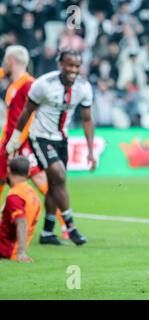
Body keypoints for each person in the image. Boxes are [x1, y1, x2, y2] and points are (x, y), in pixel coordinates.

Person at [6, 49, 96, 246]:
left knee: (55, 184)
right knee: (59, 176)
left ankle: (47, 231)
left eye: (77, 66)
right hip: (40, 137)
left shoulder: (84, 88)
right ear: (61, 65)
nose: (73, 70)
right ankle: (70, 227)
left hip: (62, 138)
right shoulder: (44, 85)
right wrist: (14, 139)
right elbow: (26, 112)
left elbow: (88, 120)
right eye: (69, 65)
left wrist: (90, 151)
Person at [0, 45, 69, 240]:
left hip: (21, 144)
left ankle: (65, 224)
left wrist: (17, 143)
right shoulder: (13, 84)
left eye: (6, 60)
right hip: (8, 143)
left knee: (43, 182)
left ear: (11, 60)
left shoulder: (29, 84)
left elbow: (30, 117)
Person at [0, 156, 41, 262]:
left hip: (6, 249)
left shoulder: (15, 196)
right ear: (28, 173)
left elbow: (21, 223)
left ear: (8, 170)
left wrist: (21, 253)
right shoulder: (31, 192)